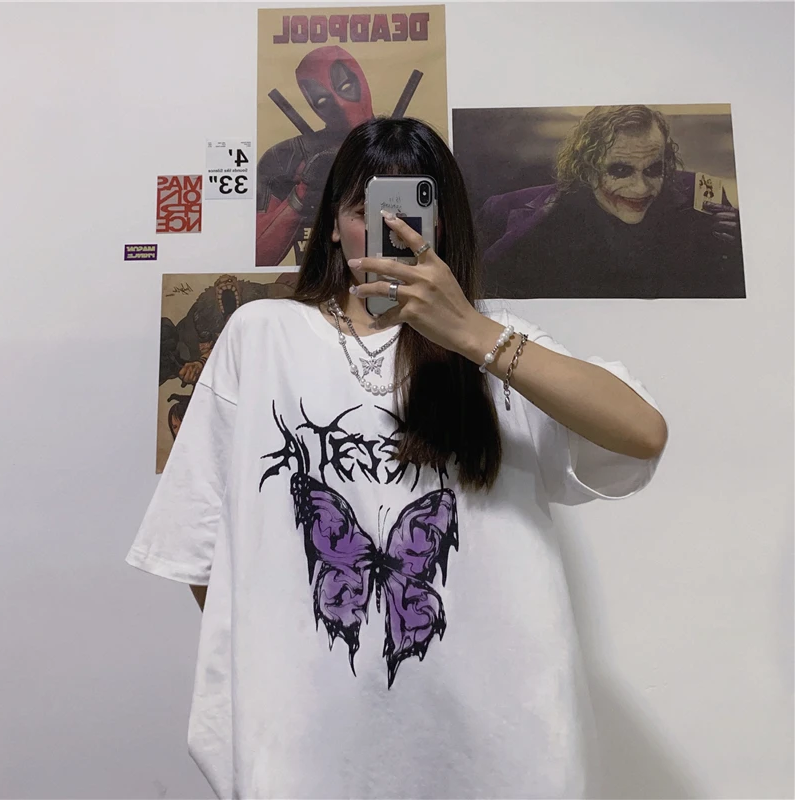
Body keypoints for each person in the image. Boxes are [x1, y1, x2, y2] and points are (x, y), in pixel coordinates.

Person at [126, 117, 669, 799]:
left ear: (443, 226)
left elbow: (642, 433)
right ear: (332, 225)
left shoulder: (499, 345)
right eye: (366, 211)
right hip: (312, 741)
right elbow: (202, 547)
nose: (391, 232)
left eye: (413, 211)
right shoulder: (262, 335)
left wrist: (472, 333)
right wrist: (284, 662)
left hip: (490, 741)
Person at [477, 104, 745, 299]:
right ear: (586, 168)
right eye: (620, 170)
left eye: (653, 169)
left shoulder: (702, 194)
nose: (640, 188)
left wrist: (741, 252)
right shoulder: (506, 211)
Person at [255, 45, 374, 266]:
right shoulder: (286, 158)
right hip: (315, 279)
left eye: (345, 87)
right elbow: (258, 255)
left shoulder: (403, 144)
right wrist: (302, 193)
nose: (340, 104)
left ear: (362, 80)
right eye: (322, 101)